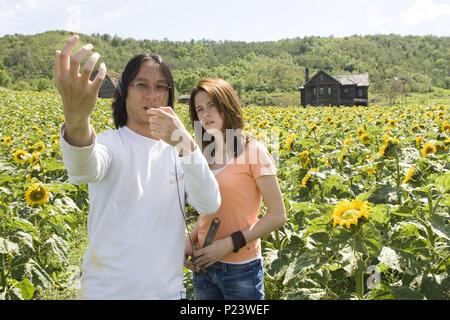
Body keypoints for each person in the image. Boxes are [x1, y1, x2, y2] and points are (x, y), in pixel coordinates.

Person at [54, 35, 221, 299]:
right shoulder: (111, 144)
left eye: (161, 86)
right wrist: (76, 120)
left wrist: (184, 142)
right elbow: (83, 168)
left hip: (167, 293)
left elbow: (209, 202)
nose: (152, 95)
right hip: (106, 293)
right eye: (141, 85)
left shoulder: (180, 152)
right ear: (124, 92)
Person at [184, 78, 286, 300]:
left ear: (227, 104)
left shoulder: (254, 152)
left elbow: (278, 215)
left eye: (211, 105)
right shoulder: (204, 155)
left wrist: (228, 244)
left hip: (241, 270)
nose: (205, 114)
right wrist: (190, 240)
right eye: (199, 110)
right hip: (203, 265)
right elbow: (208, 213)